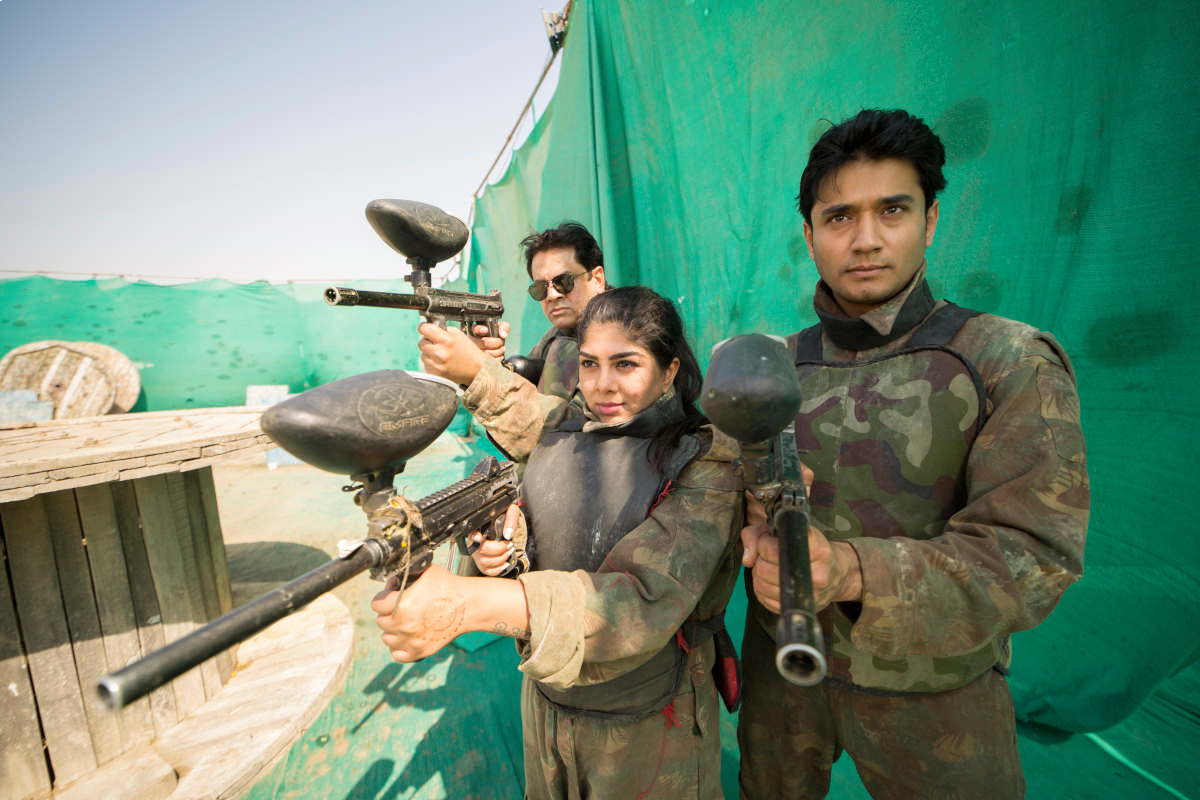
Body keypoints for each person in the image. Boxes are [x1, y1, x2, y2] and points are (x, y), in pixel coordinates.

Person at [736, 109, 1089, 799]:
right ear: (809, 236)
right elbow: (712, 499)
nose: (865, 239)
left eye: (892, 210)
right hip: (782, 680)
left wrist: (849, 570)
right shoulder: (769, 367)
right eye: (839, 217)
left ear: (930, 221)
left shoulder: (1007, 359)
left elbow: (1034, 557)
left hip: (937, 692)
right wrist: (745, 520)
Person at [376, 286, 745, 799]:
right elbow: (520, 409)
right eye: (590, 364)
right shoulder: (568, 429)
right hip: (547, 707)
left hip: (651, 727)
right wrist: (504, 554)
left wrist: (473, 604)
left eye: (626, 364)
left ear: (669, 371)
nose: (603, 385)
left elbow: (641, 602)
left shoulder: (705, 463)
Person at [466, 222, 608, 405]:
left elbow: (574, 418)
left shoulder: (625, 330)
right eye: (540, 288)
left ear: (597, 279)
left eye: (564, 282)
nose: (551, 295)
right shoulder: (556, 337)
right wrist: (486, 364)